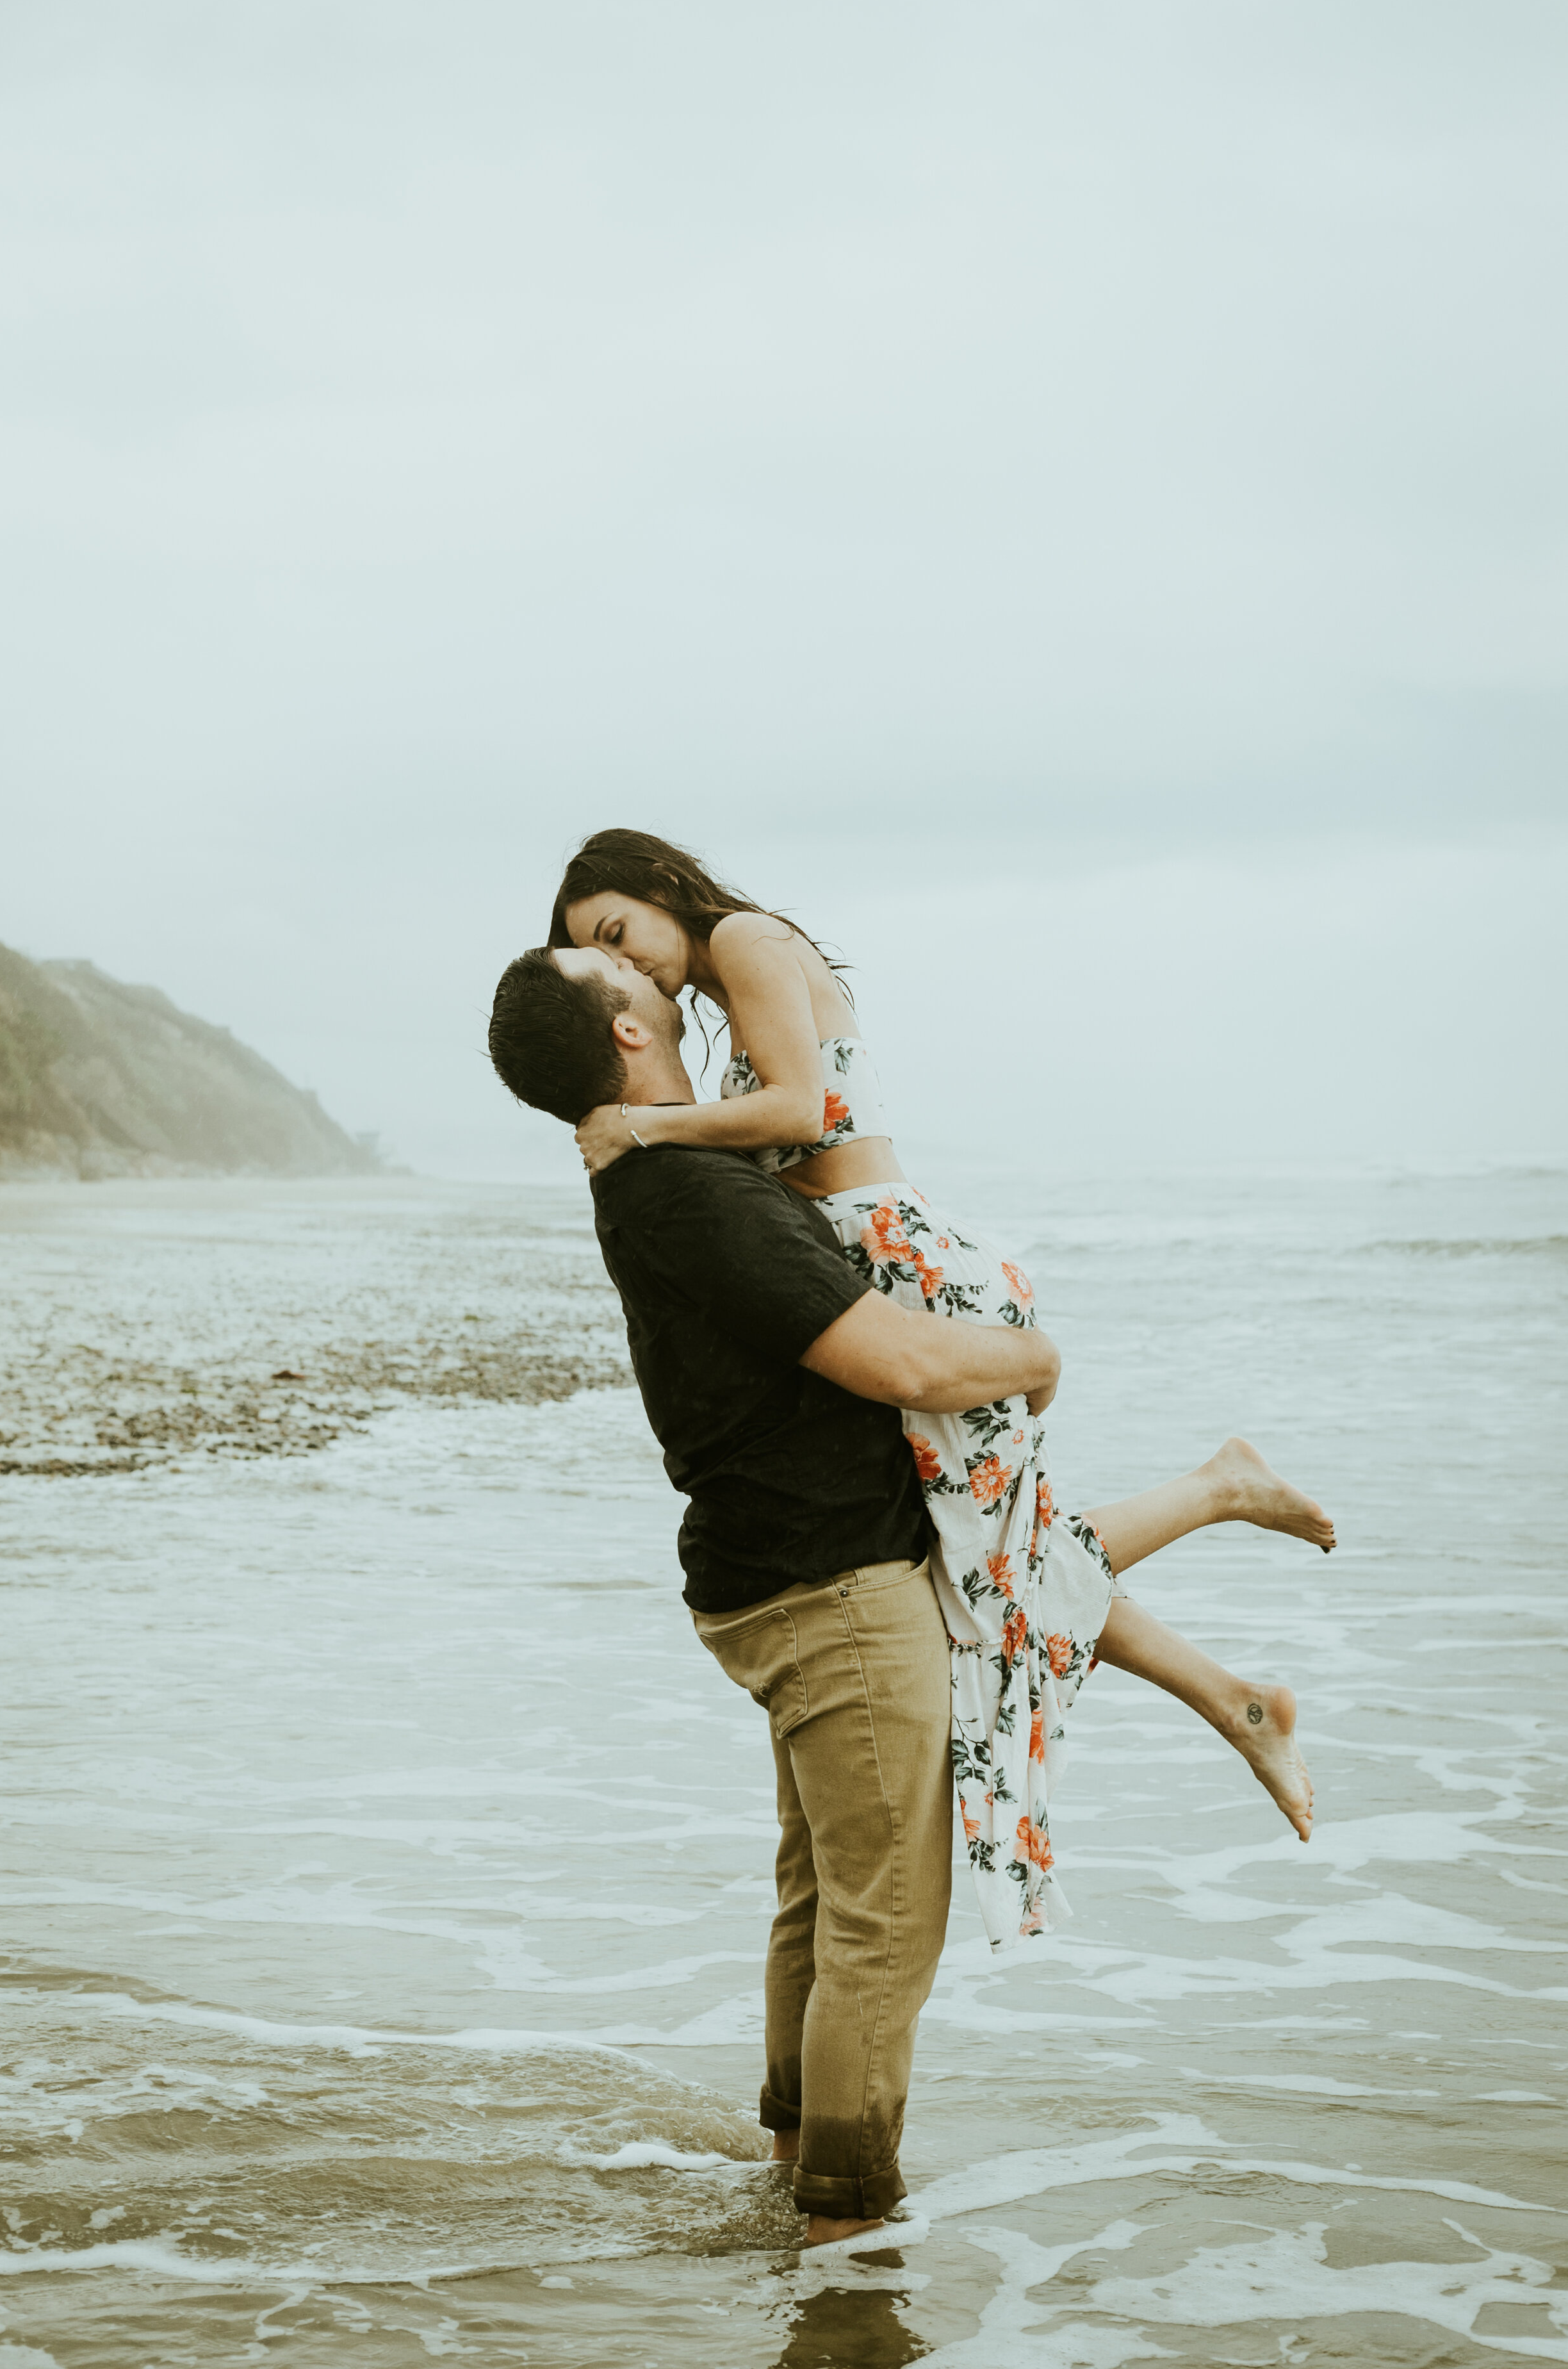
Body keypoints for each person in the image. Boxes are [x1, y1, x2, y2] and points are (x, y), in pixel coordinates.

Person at [486, 931, 1325, 2244]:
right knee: (881, 1932)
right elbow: (904, 1367)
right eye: (626, 975)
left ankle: (788, 2182)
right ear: (624, 1033)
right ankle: (840, 2239)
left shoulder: (672, 1172)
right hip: (829, 1590)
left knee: (821, 1905)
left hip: (784, 1571)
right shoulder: (690, 1196)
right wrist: (1029, 1354)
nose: (657, 974)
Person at [546, 828, 1334, 1960]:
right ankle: (1234, 1676)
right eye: (598, 957)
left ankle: (1223, 1513)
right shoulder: (726, 981)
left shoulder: (750, 937)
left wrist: (646, 1124)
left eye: (619, 934)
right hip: (875, 1270)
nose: (634, 966)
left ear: (663, 887)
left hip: (907, 1267)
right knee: (992, 1560)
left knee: (996, 1562)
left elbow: (804, 1114)